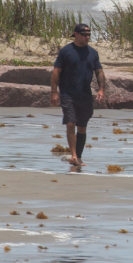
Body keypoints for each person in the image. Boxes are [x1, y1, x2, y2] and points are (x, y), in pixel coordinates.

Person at [51, 22, 108, 172]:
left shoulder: (93, 53)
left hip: (85, 95)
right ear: (76, 34)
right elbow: (56, 72)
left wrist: (101, 90)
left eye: (89, 35)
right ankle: (74, 156)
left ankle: (79, 157)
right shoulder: (66, 51)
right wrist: (54, 92)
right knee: (71, 123)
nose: (87, 37)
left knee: (82, 127)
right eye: (84, 35)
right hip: (67, 93)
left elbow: (99, 72)